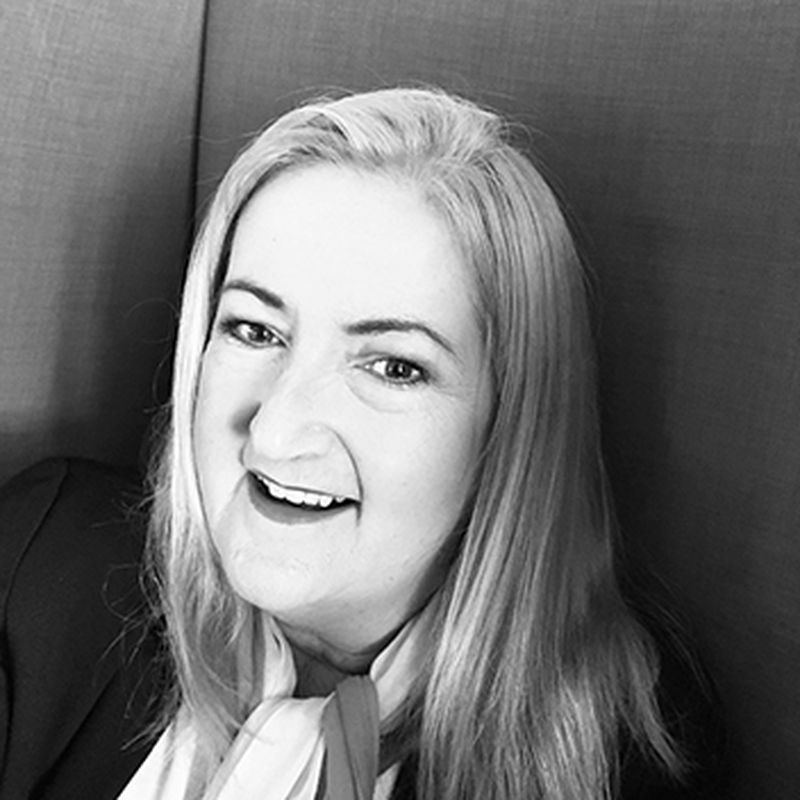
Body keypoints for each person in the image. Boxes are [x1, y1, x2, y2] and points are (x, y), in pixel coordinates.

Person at [0, 88, 721, 799]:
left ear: (510, 431)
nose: (275, 431)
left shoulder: (625, 751)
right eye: (254, 330)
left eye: (394, 367)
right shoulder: (43, 564)